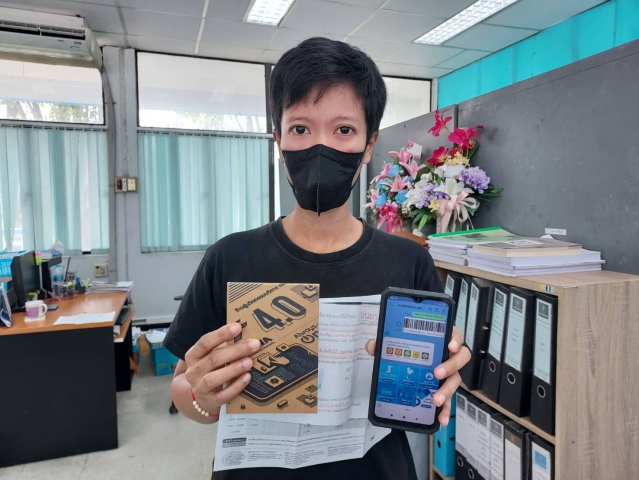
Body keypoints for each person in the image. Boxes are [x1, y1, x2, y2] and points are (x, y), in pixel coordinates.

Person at [164, 37, 471, 480]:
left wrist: (443, 372)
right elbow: (182, 385)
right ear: (278, 142)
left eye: (344, 130)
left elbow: (432, 375)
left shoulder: (409, 262)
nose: (320, 146)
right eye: (300, 129)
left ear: (369, 145)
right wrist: (201, 398)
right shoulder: (229, 258)